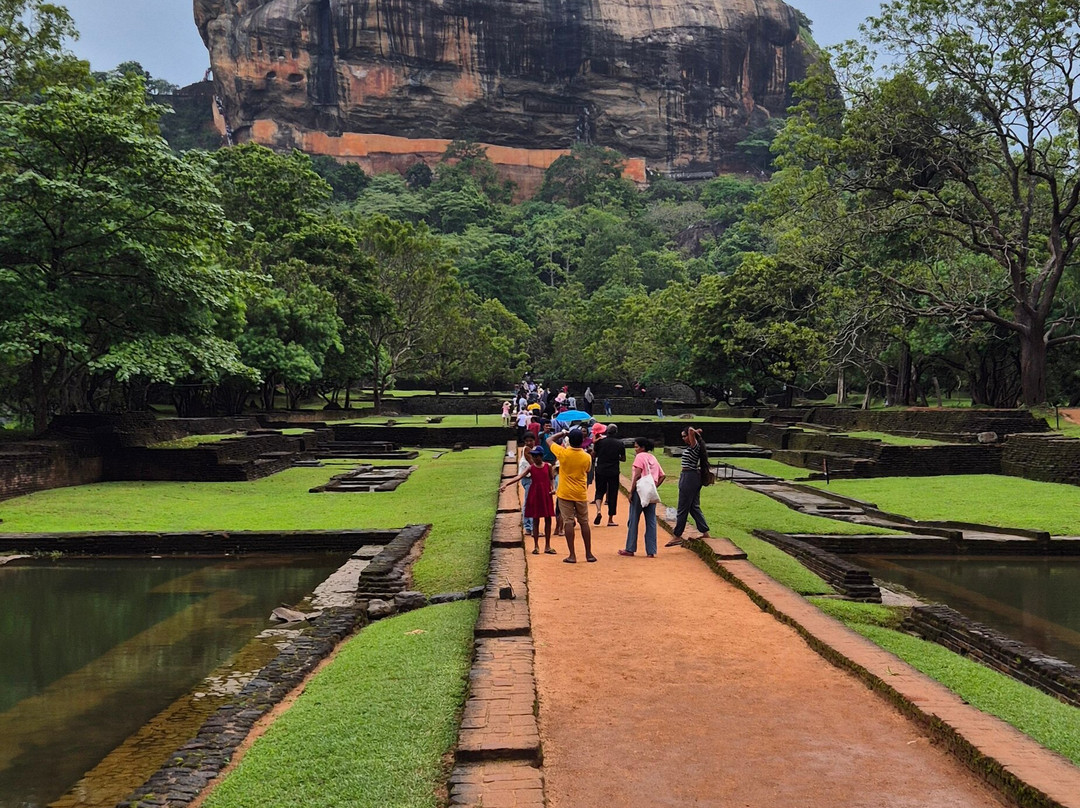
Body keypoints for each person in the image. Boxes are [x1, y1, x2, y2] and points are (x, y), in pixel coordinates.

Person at [546, 428, 595, 563]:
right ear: (582, 441)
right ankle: (588, 553)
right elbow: (587, 470)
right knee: (584, 522)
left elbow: (549, 440)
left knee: (568, 521)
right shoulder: (587, 457)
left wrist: (563, 433)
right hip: (580, 492)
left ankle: (572, 555)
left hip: (565, 492)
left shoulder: (563, 453)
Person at [501, 447, 557, 555]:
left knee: (548, 519)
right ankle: (536, 545)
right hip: (535, 494)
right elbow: (519, 476)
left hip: (545, 494)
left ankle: (547, 545)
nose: (534, 458)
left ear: (541, 456)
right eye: (533, 456)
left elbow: (551, 478)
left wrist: (553, 488)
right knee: (535, 520)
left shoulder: (547, 466)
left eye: (536, 456)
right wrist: (507, 484)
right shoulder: (531, 468)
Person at [665, 426, 712, 547]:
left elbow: (690, 430)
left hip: (689, 477)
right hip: (691, 477)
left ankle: (677, 536)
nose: (684, 438)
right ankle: (705, 531)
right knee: (693, 507)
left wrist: (695, 432)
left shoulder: (694, 446)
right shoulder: (693, 447)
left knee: (683, 507)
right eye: (682, 436)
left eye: (685, 436)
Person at [620, 437, 666, 557]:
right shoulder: (653, 458)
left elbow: (637, 474)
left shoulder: (640, 457)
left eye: (636, 447)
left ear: (642, 448)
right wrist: (654, 487)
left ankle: (630, 548)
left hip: (639, 492)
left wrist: (631, 491)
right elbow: (662, 475)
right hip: (650, 493)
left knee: (633, 520)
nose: (635, 450)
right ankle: (651, 551)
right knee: (651, 521)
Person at [591, 423, 625, 526]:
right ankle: (610, 519)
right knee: (612, 493)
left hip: (601, 469)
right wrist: (614, 457)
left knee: (599, 491)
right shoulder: (620, 443)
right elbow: (623, 458)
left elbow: (593, 455)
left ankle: (598, 511)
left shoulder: (600, 442)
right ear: (616, 432)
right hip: (613, 470)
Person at [516, 432, 538, 534]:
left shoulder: (533, 449)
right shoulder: (527, 449)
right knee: (530, 502)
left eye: (531, 441)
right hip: (528, 478)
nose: (529, 443)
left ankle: (529, 527)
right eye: (527, 441)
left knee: (530, 502)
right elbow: (532, 464)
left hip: (528, 478)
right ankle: (531, 527)